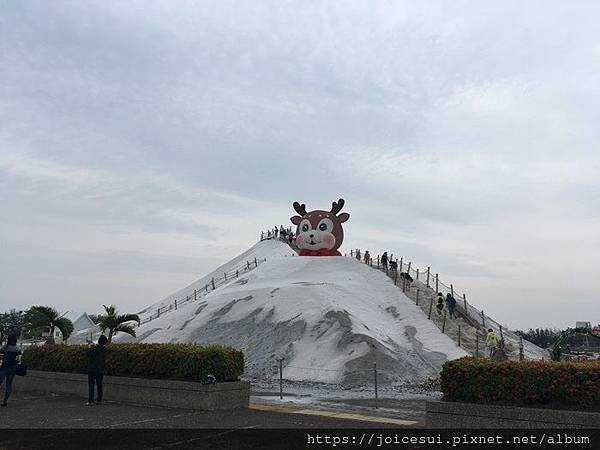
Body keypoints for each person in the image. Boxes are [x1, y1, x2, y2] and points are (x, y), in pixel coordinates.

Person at [0, 334, 22, 407]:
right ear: (15, 340)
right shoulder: (18, 349)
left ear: (8, 340)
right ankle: (5, 402)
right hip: (12, 369)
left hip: (3, 368)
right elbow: (19, 360)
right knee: (9, 385)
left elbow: (0, 357)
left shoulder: (4, 348)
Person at [86, 334, 108, 406]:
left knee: (91, 385)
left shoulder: (95, 348)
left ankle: (91, 401)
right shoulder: (105, 350)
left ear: (99, 341)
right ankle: (99, 400)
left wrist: (89, 346)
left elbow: (88, 354)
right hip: (100, 370)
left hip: (92, 370)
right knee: (99, 385)